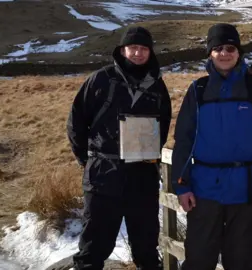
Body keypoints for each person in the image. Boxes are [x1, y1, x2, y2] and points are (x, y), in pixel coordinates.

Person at [171, 23, 252, 270]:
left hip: (246, 193)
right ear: (210, 52)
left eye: (231, 48)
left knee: (241, 261)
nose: (225, 53)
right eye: (218, 48)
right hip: (204, 193)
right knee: (199, 261)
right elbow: (184, 141)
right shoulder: (197, 90)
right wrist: (181, 186)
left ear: (238, 52)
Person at [67, 26, 172, 270]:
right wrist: (90, 161)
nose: (137, 53)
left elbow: (162, 128)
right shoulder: (102, 80)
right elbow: (76, 122)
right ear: (122, 50)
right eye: (132, 47)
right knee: (93, 248)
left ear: (150, 52)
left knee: (146, 248)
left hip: (143, 178)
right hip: (104, 177)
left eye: (143, 48)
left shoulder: (157, 86)